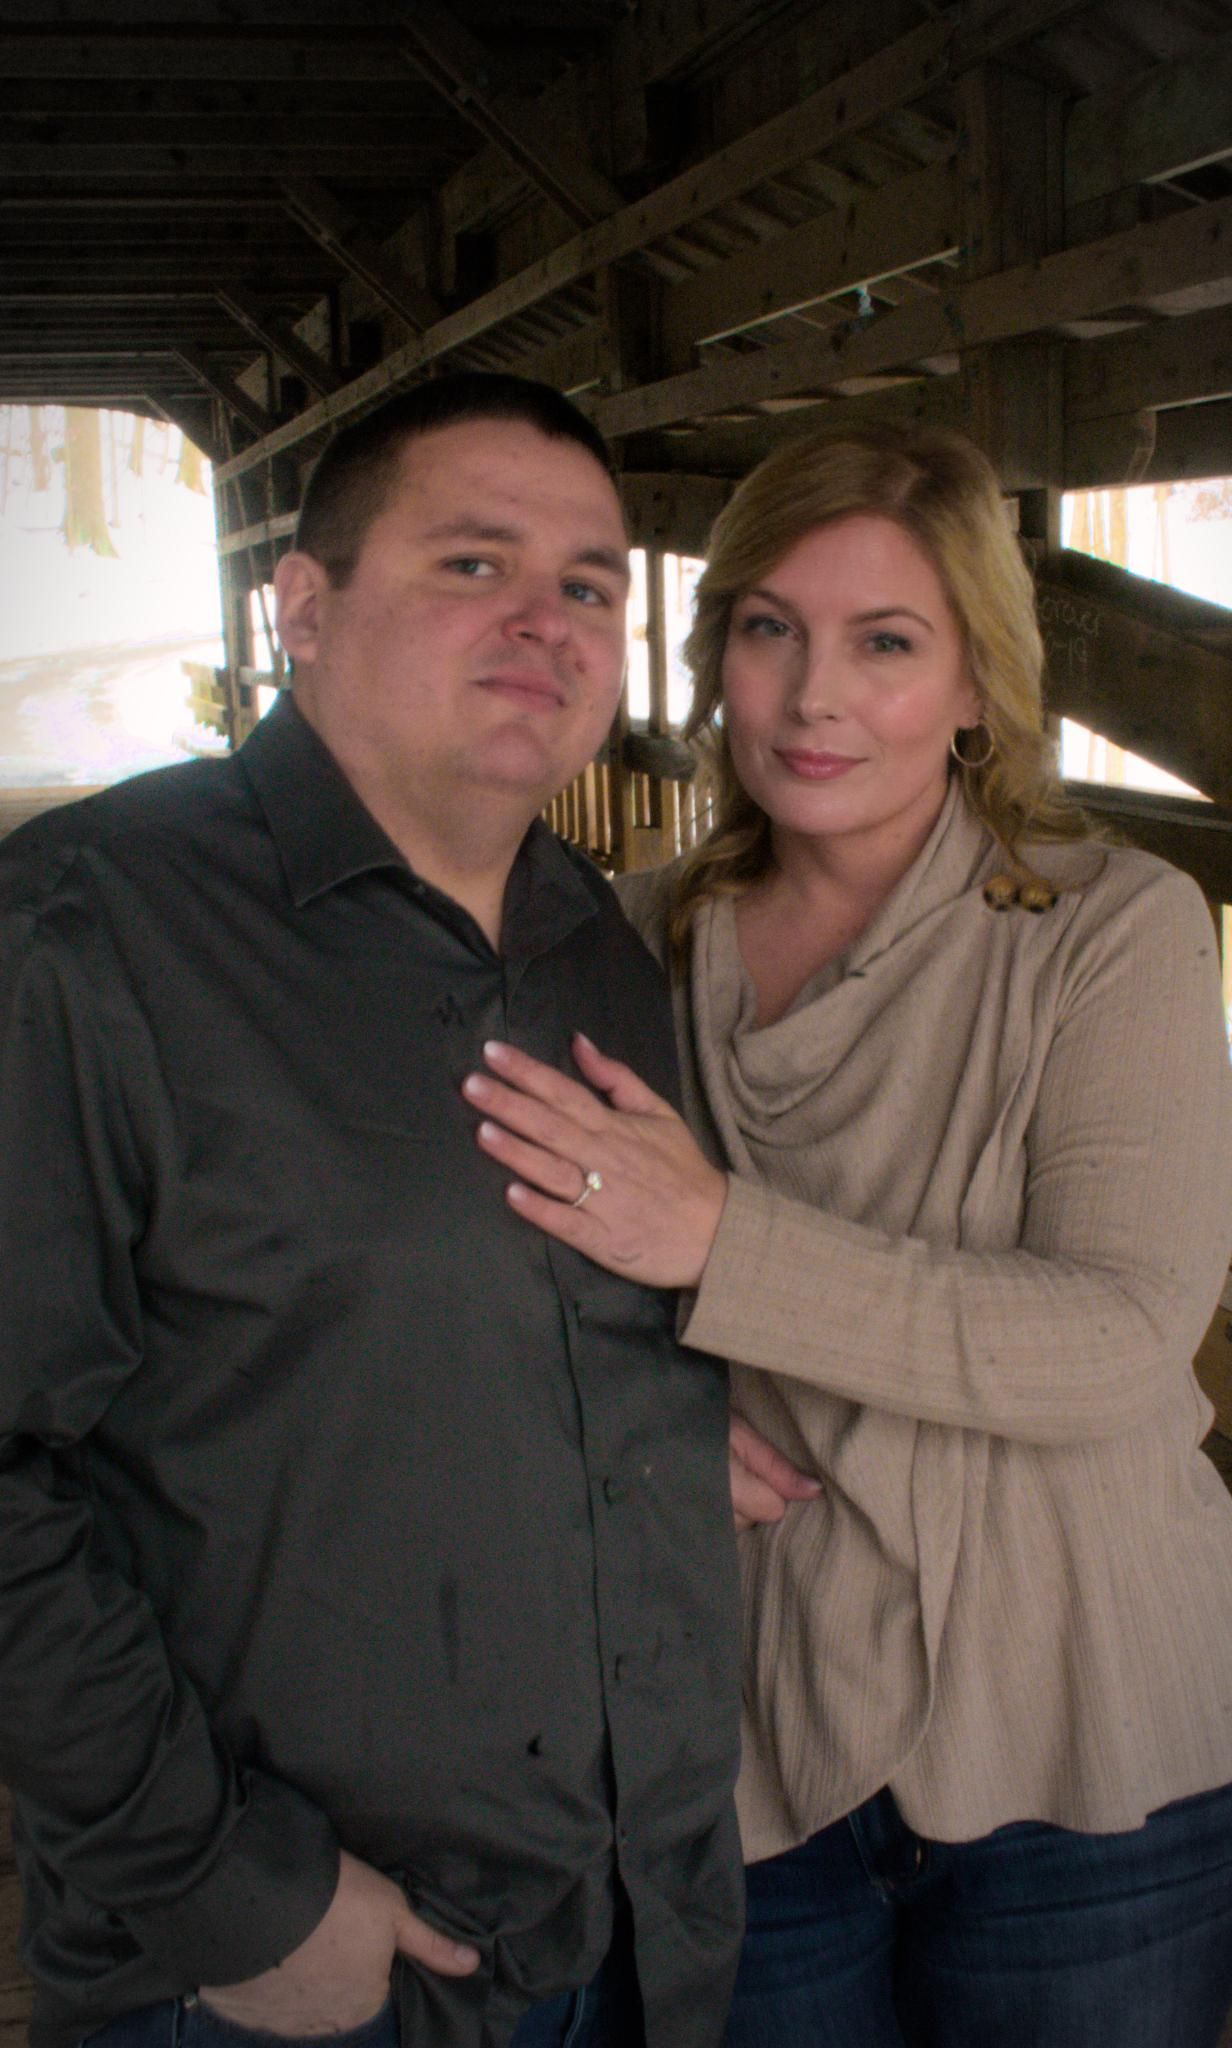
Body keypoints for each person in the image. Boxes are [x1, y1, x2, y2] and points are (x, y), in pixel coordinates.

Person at [459, 420, 1232, 2048]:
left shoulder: (1107, 931)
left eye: (887, 643)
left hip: (1100, 1758)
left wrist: (720, 1241)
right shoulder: (630, 944)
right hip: (753, 1744)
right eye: (769, 629)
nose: (812, 695)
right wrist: (635, 1416)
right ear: (714, 657)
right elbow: (480, 1276)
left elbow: (1120, 1337)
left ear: (981, 684)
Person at [0, 374, 743, 2048]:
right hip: (295, 1973)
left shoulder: (598, 949)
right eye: (473, 563)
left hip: (633, 1928)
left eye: (590, 585)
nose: (545, 621)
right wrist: (230, 1890)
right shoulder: (87, 933)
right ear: (304, 610)